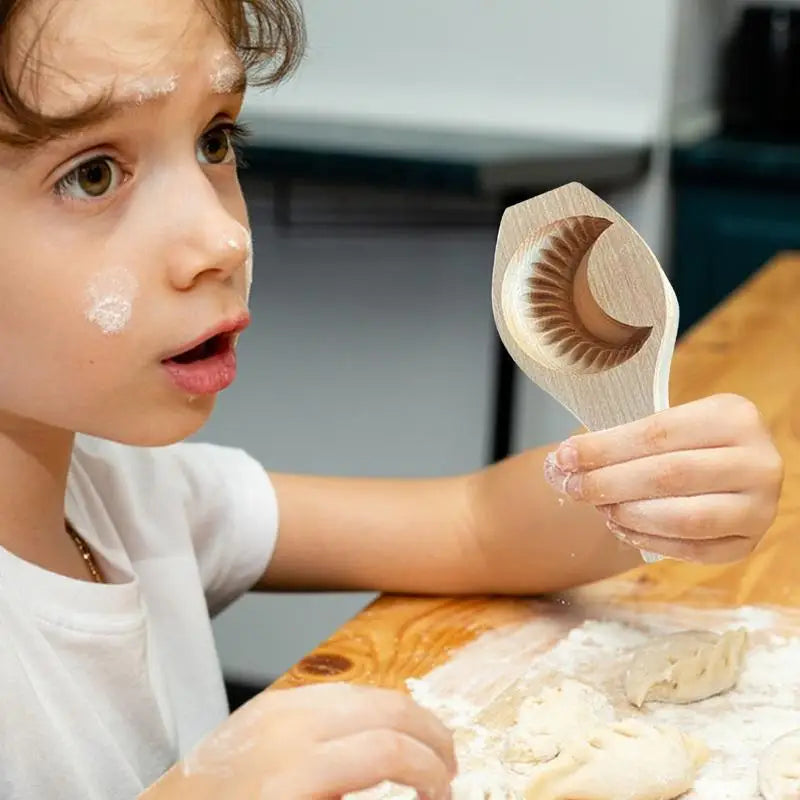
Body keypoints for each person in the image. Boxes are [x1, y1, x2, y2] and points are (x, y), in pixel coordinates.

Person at [0, 0, 783, 798]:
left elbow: (473, 527)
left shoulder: (133, 496)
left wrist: (663, 478)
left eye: (214, 140)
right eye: (92, 174)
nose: (223, 238)